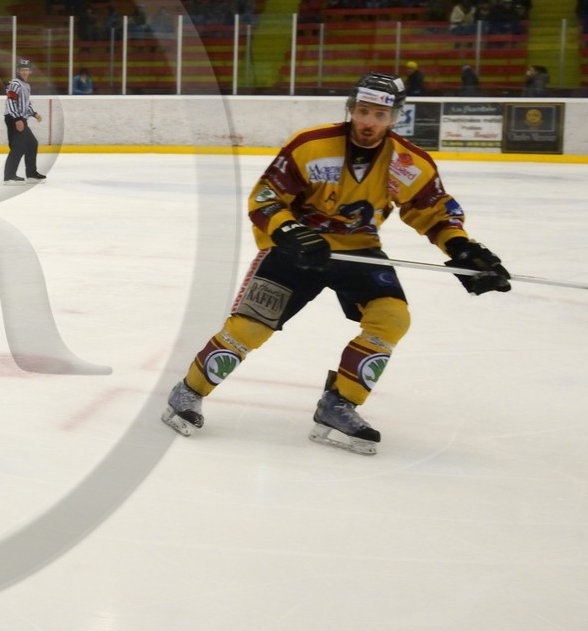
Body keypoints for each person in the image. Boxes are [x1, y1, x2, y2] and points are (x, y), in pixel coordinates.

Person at [160, 74, 511, 455]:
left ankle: (338, 404)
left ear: (395, 117)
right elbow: (264, 198)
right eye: (362, 111)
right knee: (250, 328)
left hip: (358, 250)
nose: (369, 122)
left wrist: (462, 249)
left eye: (380, 114)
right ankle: (189, 390)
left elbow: (435, 214)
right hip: (296, 251)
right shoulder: (311, 146)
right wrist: (289, 231)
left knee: (392, 317)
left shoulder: (410, 163)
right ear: (350, 109)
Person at [2, 58, 46, 183]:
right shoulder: (15, 84)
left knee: (32, 144)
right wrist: (17, 119)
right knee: (18, 147)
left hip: (20, 119)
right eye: (22, 70)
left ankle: (31, 174)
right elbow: (11, 101)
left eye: (26, 69)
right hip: (14, 118)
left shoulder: (26, 85)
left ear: (30, 71)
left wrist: (34, 113)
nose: (24, 72)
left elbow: (25, 104)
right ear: (17, 71)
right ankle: (9, 177)